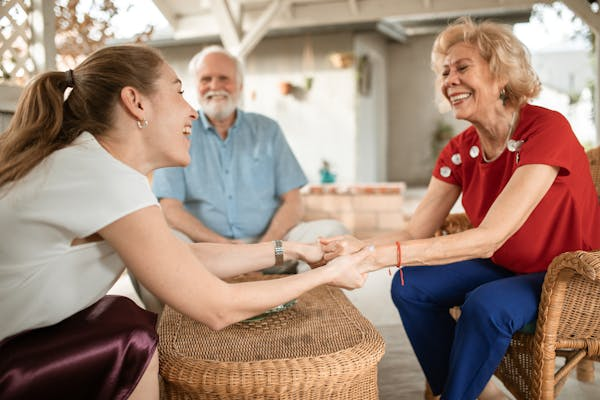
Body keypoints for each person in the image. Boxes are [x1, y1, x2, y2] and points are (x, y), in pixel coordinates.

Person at [0, 44, 375, 400]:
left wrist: (295, 249)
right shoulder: (103, 176)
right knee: (132, 332)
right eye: (179, 92)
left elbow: (182, 255)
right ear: (135, 102)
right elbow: (219, 307)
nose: (192, 110)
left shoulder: (90, 163)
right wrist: (327, 274)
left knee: (123, 317)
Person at [321, 17, 600, 400]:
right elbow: (415, 230)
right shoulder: (460, 149)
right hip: (506, 263)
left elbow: (489, 238)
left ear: (501, 75)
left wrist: (378, 258)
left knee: (485, 305)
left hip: (566, 275)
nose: (449, 79)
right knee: (409, 286)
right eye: (444, 71)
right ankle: (476, 392)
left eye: (462, 67)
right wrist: (358, 245)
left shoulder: (546, 129)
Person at [151, 45, 347, 264]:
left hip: (274, 246)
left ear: (240, 85)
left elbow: (294, 201)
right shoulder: (179, 132)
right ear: (196, 86)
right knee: (157, 244)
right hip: (207, 250)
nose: (214, 86)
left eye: (223, 78)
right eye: (206, 79)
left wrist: (267, 247)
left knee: (332, 232)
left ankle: (311, 296)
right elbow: (170, 209)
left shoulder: (268, 129)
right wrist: (223, 246)